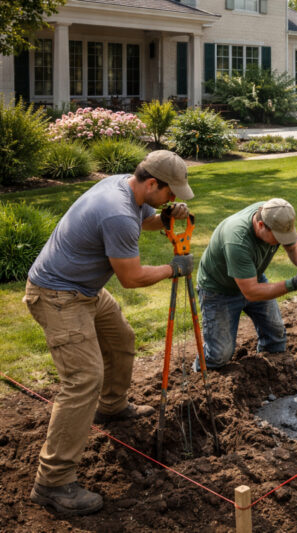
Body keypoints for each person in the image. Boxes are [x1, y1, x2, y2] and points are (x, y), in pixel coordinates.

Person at [23, 150, 195, 516]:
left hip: (84, 290)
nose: (175, 199)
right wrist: (172, 268)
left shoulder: (125, 186)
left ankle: (112, 407)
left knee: (121, 342)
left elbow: (143, 221)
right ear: (152, 183)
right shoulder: (117, 211)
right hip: (58, 296)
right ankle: (52, 483)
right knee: (83, 379)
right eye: (171, 194)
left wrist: (164, 218)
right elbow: (131, 279)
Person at [194, 198, 297, 371]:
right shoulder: (237, 240)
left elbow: (293, 247)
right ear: (260, 225)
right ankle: (200, 382)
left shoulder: (277, 215)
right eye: (277, 238)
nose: (280, 241)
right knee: (219, 355)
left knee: (275, 336)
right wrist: (293, 283)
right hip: (219, 290)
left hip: (253, 278)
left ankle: (268, 375)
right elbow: (252, 293)